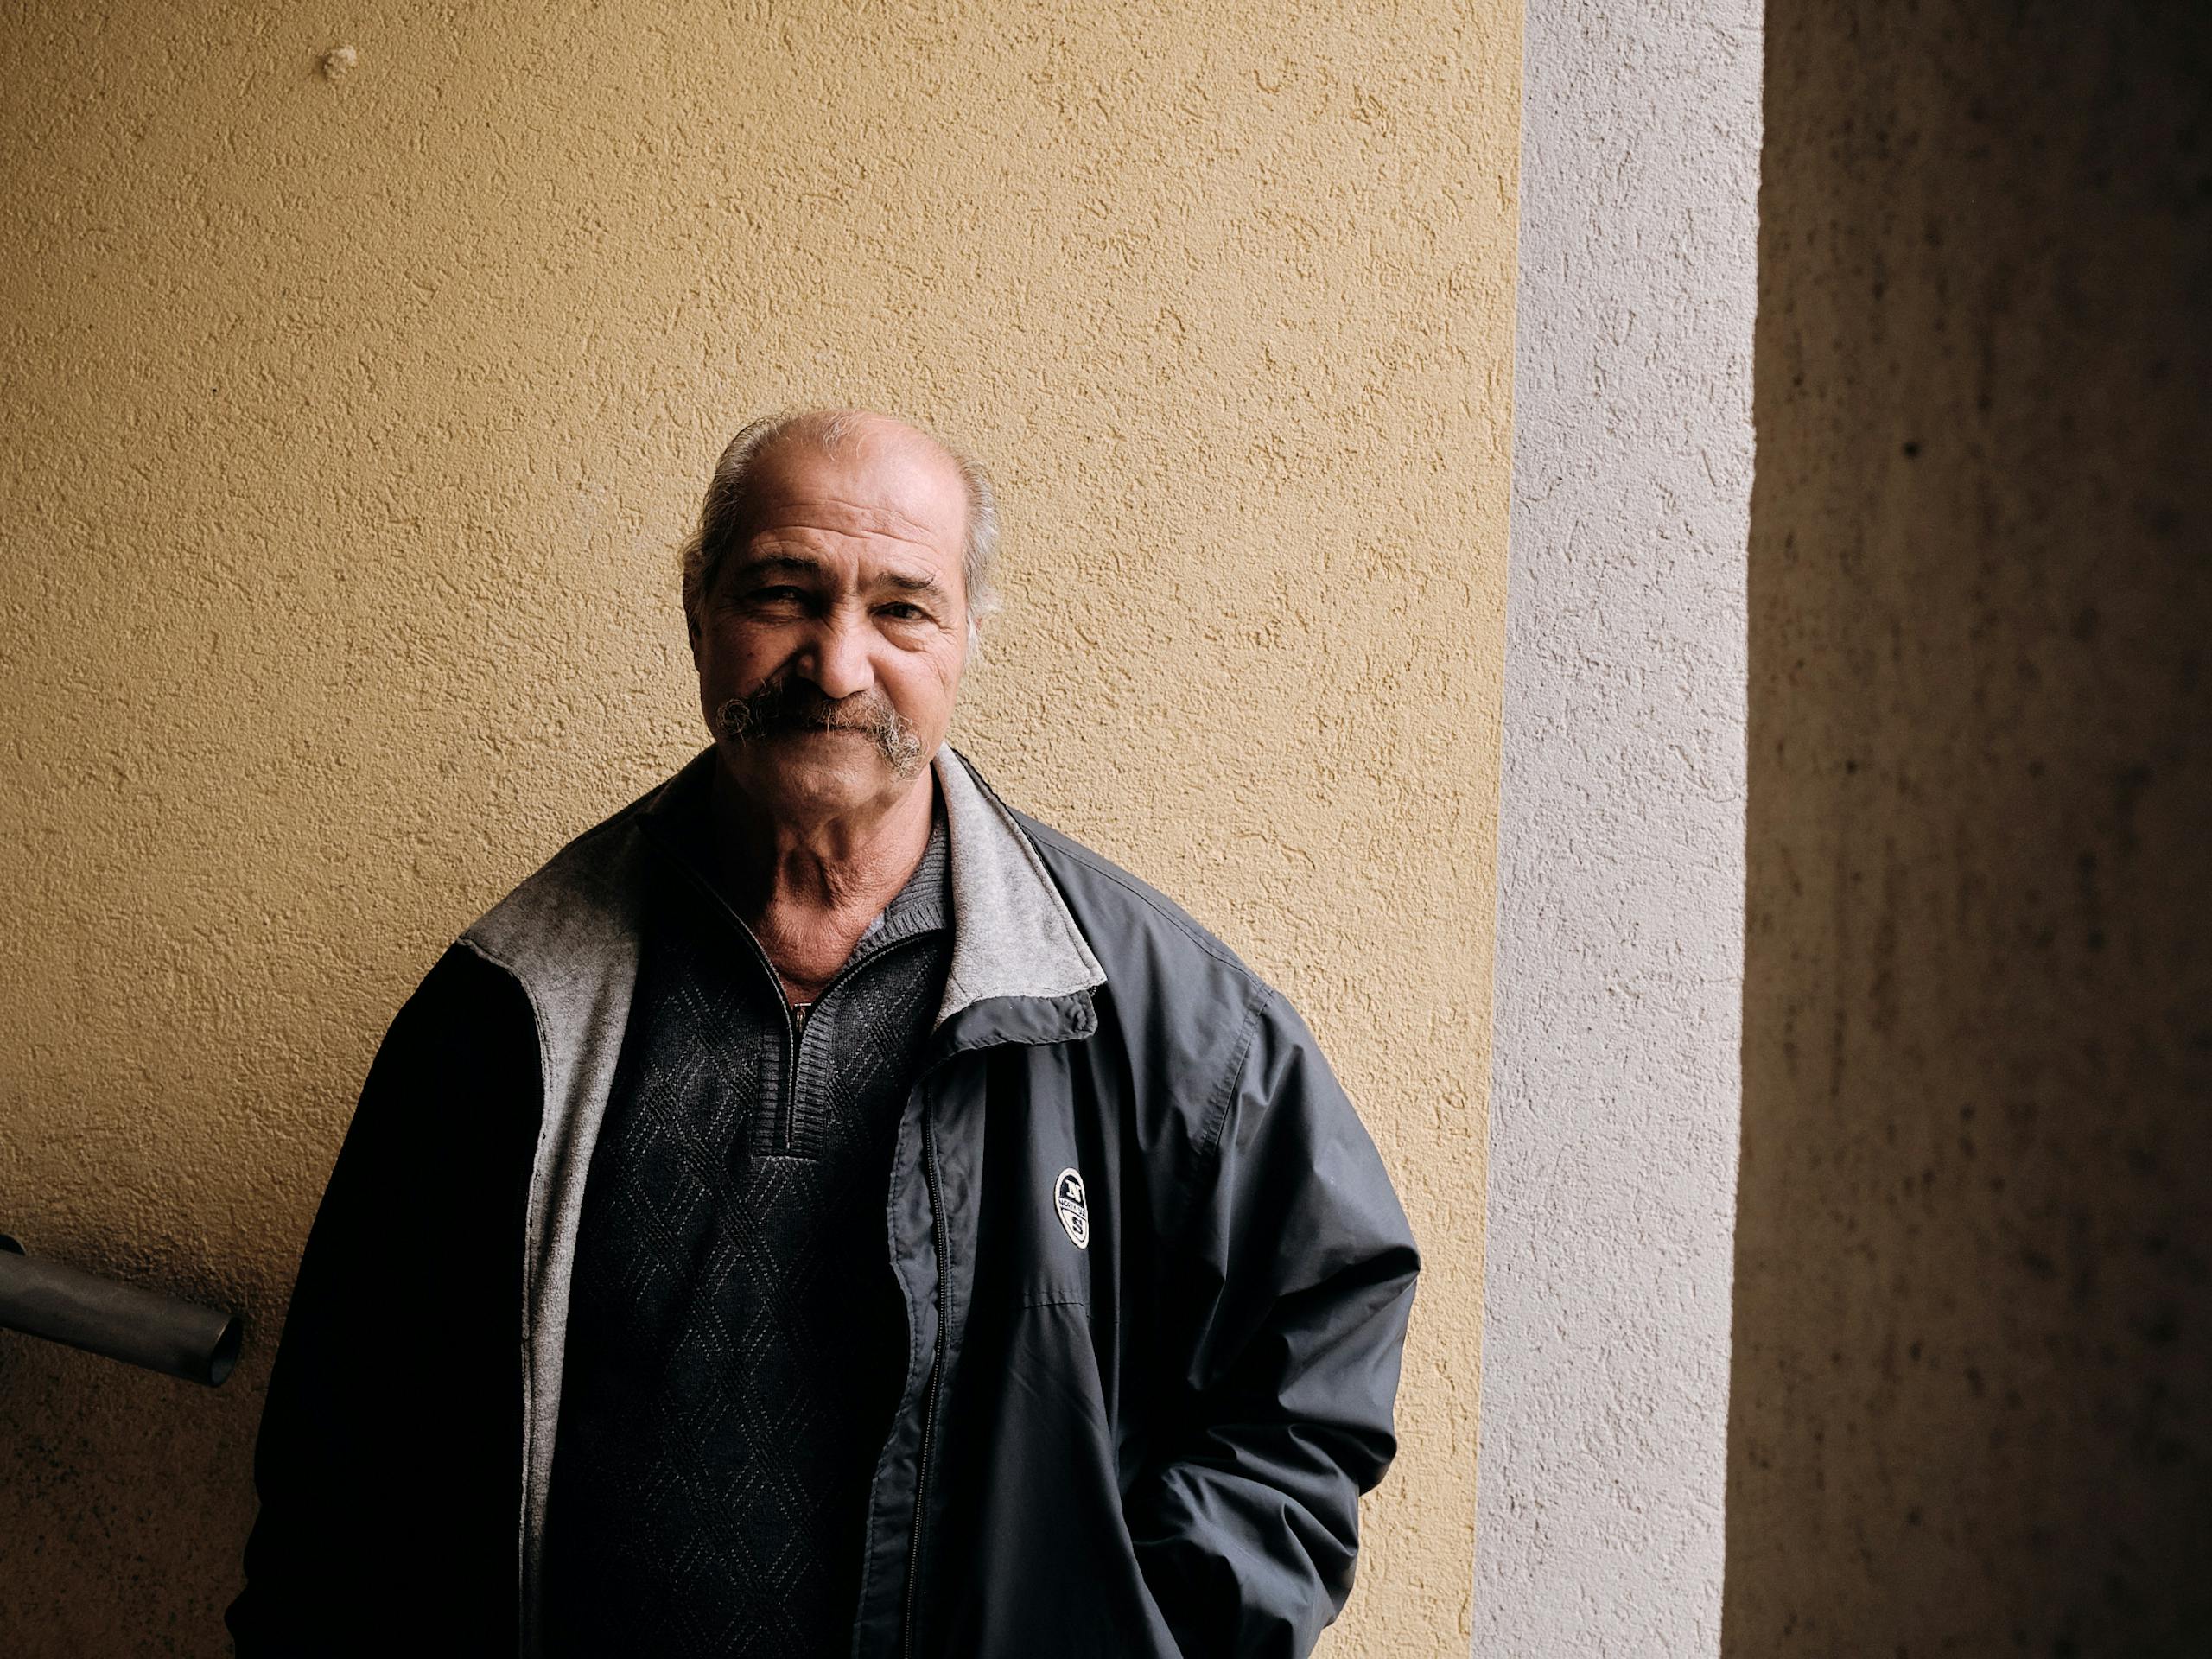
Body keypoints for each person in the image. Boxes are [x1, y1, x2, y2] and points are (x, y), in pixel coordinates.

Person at [226, 409, 1419, 1658]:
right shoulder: (505, 1010)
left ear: (966, 637)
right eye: (784, 594)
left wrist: (1141, 1630)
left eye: (902, 608)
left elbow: (1319, 1351)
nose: (837, 666)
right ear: (698, 614)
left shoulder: (1162, 1018)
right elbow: (340, 1479)